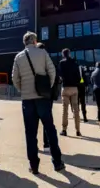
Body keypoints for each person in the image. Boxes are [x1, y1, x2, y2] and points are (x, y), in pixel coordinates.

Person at [12, 32, 65, 175]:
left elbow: (14, 78)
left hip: (27, 100)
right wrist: (47, 88)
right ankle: (57, 162)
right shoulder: (42, 53)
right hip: (43, 99)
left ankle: (34, 166)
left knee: (30, 133)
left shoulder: (18, 57)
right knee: (50, 129)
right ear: (34, 41)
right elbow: (52, 71)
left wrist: (23, 90)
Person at [58, 48, 82, 137]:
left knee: (65, 110)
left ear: (63, 55)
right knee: (76, 110)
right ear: (70, 54)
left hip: (65, 87)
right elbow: (79, 77)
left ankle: (64, 130)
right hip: (74, 88)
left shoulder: (61, 63)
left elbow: (59, 75)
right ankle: (78, 130)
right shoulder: (75, 63)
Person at [36, 42, 52, 153]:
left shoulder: (32, 60)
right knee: (46, 120)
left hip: (34, 94)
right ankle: (46, 145)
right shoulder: (48, 60)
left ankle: (34, 145)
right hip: (46, 94)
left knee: (33, 121)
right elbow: (53, 75)